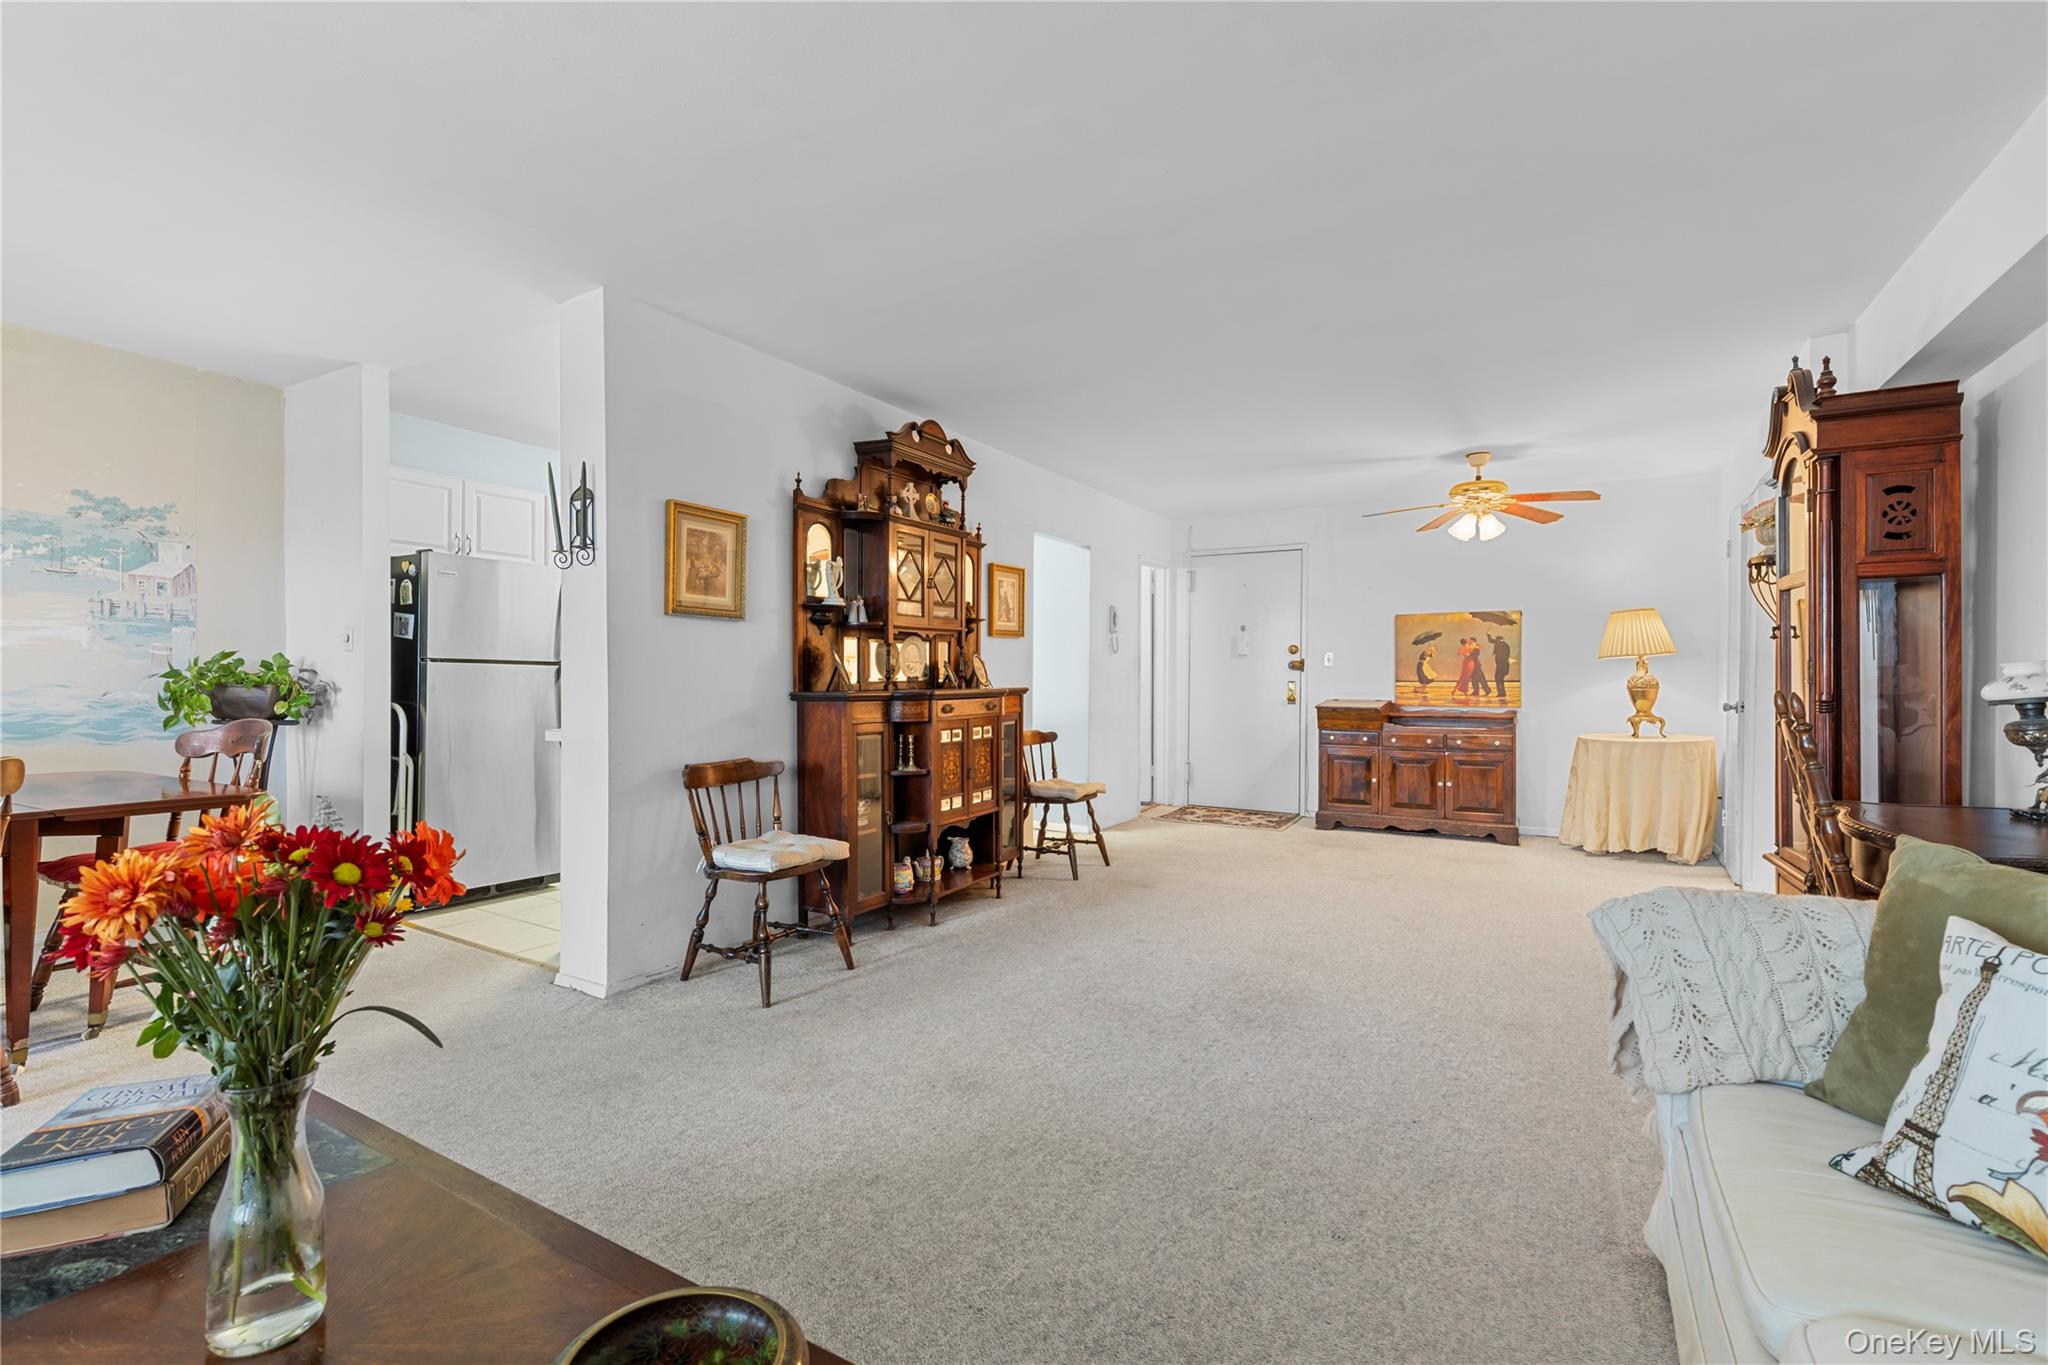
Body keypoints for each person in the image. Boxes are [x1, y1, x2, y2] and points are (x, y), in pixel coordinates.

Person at [1490, 632, 1513, 700]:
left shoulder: (1504, 646)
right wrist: (1489, 634)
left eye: (1496, 640)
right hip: (1501, 665)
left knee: (1498, 678)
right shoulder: (1500, 644)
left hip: (1502, 665)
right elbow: (1491, 640)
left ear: (1499, 640)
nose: (1495, 642)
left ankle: (1501, 693)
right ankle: (1502, 693)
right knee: (1499, 679)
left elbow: (1504, 656)